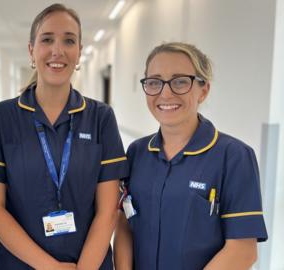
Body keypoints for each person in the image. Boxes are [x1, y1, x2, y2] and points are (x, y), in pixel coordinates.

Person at [0, 3, 128, 269]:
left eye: (69, 40)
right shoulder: (2, 117)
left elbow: (108, 209)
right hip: (18, 263)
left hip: (88, 261)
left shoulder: (101, 117)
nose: (58, 50)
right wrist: (50, 267)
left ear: (79, 52)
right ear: (32, 50)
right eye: (47, 39)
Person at [113, 42, 268, 270]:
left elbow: (243, 250)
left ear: (203, 90)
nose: (165, 93)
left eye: (180, 82)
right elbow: (125, 223)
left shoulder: (234, 157)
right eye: (154, 82)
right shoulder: (137, 153)